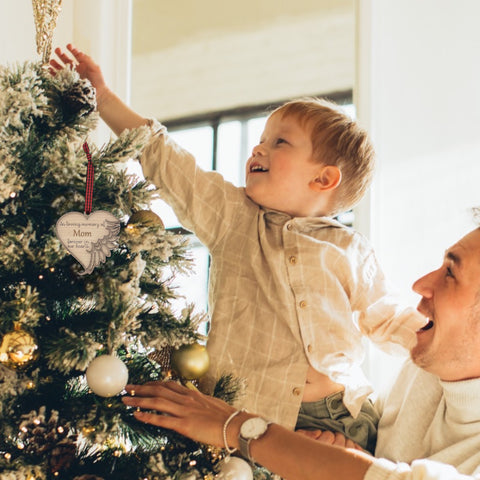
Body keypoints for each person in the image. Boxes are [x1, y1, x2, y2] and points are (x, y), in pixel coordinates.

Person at [50, 45, 426, 453]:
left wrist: (444, 342)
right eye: (260, 139)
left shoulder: (349, 248)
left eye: (279, 142)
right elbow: (168, 161)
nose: (257, 149)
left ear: (323, 179)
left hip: (337, 416)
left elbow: (387, 318)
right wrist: (103, 97)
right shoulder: (234, 218)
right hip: (244, 411)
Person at [122, 225, 480, 479]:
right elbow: (382, 465)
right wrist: (351, 455)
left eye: (450, 273)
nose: (421, 285)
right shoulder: (427, 368)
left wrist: (236, 426)